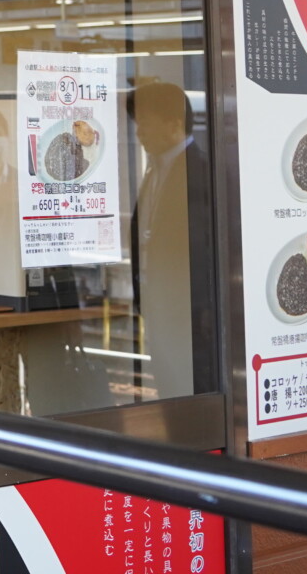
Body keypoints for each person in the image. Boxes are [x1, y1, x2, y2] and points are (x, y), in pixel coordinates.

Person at [129, 80, 208, 400]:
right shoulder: (155, 169)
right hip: (157, 303)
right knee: (167, 386)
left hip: (189, 311)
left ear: (174, 124)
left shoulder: (201, 171)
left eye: (145, 124)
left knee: (188, 389)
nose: (138, 133)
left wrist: (201, 311)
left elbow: (205, 248)